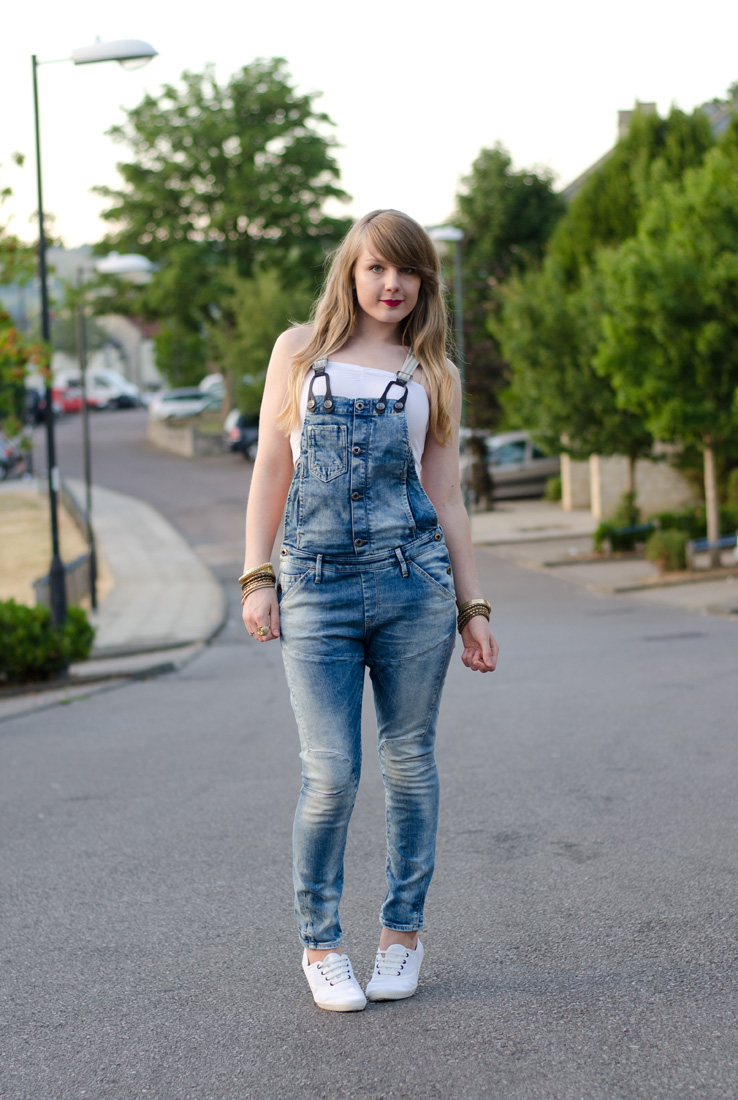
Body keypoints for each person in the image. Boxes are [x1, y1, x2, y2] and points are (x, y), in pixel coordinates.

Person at [240, 209, 499, 1012]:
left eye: (409, 271)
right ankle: (321, 945)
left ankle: (401, 937)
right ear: (350, 274)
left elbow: (447, 498)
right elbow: (269, 472)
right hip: (313, 585)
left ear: (425, 282)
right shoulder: (298, 353)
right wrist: (256, 576)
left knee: (409, 762)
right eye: (378, 269)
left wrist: (472, 606)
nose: (393, 285)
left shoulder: (435, 373)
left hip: (410, 584)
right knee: (331, 775)